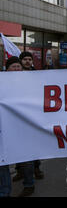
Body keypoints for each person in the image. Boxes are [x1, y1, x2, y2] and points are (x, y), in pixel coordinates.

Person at [2, 57, 36, 197]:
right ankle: (4, 191)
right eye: (13, 67)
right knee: (2, 159)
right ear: (7, 69)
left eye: (18, 67)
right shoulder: (1, 82)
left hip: (22, 126)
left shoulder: (29, 83)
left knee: (25, 158)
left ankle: (29, 183)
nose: (16, 69)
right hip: (4, 126)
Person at [14, 52, 44, 181]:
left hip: (31, 115)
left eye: (29, 59)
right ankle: (20, 170)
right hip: (15, 115)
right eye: (25, 59)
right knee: (15, 144)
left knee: (31, 144)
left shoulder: (37, 75)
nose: (27, 61)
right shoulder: (10, 77)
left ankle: (36, 168)